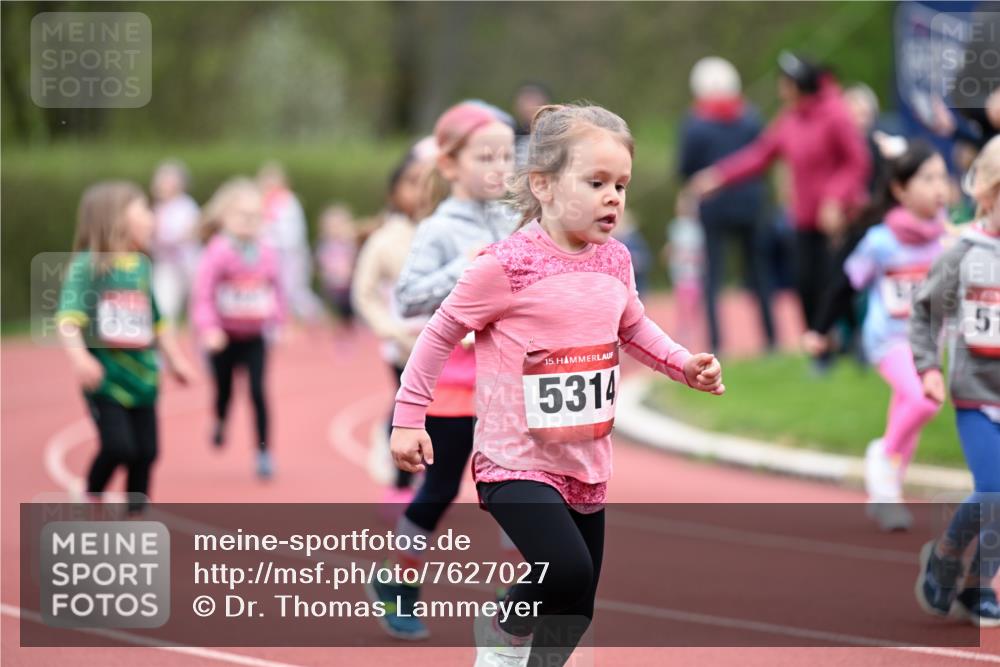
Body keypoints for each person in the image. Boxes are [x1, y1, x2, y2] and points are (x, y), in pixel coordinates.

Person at [390, 104, 725, 666]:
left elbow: (634, 326)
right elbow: (441, 331)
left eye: (620, 184)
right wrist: (408, 417)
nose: (613, 197)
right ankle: (500, 630)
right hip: (514, 461)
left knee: (577, 603)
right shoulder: (506, 265)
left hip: (584, 458)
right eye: (595, 183)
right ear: (542, 185)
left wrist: (683, 364)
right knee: (564, 570)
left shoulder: (615, 261)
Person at [366, 101, 518, 640]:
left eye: (507, 155)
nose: (500, 167)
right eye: (486, 156)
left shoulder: (513, 218)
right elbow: (406, 299)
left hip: (508, 382)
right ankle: (397, 580)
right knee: (442, 488)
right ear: (451, 165)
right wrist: (467, 265)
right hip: (453, 384)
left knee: (520, 486)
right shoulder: (435, 229)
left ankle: (516, 594)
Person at [688, 52, 871, 339]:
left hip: (836, 219)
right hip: (804, 218)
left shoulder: (835, 114)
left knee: (836, 281)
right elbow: (760, 155)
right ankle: (819, 347)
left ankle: (853, 343)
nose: (780, 88)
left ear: (798, 85)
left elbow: (858, 161)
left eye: (784, 82)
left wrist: (836, 197)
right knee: (805, 283)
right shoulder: (790, 119)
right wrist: (719, 176)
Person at [57, 181, 195, 513]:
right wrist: (80, 360)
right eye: (144, 210)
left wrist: (175, 360)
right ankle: (91, 495)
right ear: (115, 218)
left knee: (147, 453)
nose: (153, 218)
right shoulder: (88, 267)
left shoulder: (142, 267)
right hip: (107, 380)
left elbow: (157, 321)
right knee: (119, 447)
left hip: (144, 379)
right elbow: (68, 320)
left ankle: (137, 516)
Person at [912, 135, 1000, 628]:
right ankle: (947, 555)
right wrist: (928, 368)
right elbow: (924, 312)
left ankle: (976, 587)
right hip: (977, 398)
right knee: (995, 492)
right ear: (987, 194)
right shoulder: (965, 252)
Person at [840, 141, 949, 531]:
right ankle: (883, 454)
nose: (939, 187)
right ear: (900, 190)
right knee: (925, 400)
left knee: (909, 410)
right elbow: (847, 282)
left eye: (942, 177)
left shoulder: (944, 236)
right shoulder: (881, 241)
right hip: (888, 340)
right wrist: (823, 329)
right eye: (928, 179)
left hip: (929, 341)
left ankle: (888, 497)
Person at [351, 137, 439, 509]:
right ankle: (400, 484)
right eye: (411, 181)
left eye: (426, 181)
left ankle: (431, 482)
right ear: (393, 191)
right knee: (408, 408)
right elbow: (364, 292)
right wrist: (389, 329)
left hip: (449, 344)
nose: (419, 190)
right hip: (403, 345)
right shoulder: (385, 241)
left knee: (446, 416)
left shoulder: (446, 232)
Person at [678, 56, 776, 354]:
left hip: (714, 207)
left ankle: (717, 344)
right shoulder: (751, 118)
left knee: (713, 278)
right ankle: (772, 339)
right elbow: (763, 160)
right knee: (759, 273)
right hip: (751, 205)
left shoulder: (694, 124)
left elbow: (685, 168)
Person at [192, 178, 285, 480]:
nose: (249, 223)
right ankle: (219, 419)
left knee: (258, 391)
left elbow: (277, 289)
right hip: (224, 338)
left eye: (255, 217)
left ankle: (263, 452)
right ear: (224, 218)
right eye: (242, 217)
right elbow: (202, 294)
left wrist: (279, 321)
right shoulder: (218, 251)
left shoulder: (267, 251)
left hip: (255, 336)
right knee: (225, 391)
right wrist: (209, 329)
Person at [257, 163, 324, 323]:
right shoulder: (264, 201)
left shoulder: (288, 201)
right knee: (276, 290)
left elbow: (290, 233)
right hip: (273, 252)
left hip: (290, 252)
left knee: (293, 289)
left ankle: (314, 317)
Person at [150, 160, 200, 323]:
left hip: (188, 265)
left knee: (197, 308)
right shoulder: (157, 208)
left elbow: (191, 233)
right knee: (165, 309)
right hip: (167, 265)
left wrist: (165, 238)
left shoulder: (186, 206)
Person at [315, 204, 358, 328]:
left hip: (349, 290)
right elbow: (321, 266)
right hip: (331, 291)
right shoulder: (324, 246)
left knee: (350, 320)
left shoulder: (350, 245)